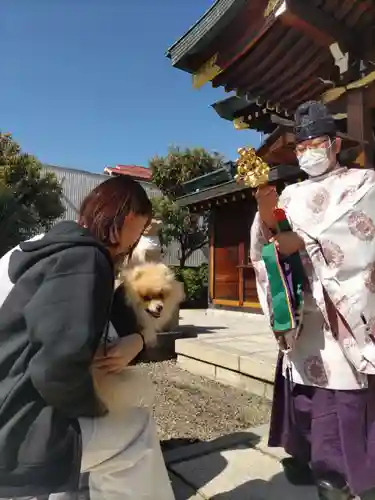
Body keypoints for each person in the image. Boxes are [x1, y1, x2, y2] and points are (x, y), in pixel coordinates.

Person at [0, 175, 175, 500]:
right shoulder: (85, 257)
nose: (137, 240)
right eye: (139, 228)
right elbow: (57, 366)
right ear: (122, 219)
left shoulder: (40, 247)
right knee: (134, 433)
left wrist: (135, 342)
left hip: (10, 401)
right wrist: (93, 408)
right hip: (14, 432)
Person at [250, 101, 375, 500]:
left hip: (342, 313)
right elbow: (263, 246)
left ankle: (343, 477)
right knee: (306, 391)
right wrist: (266, 217)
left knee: (341, 397)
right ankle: (311, 462)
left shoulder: (364, 184)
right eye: (301, 147)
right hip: (302, 312)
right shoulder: (291, 192)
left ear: (335, 143)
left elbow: (358, 233)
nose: (307, 152)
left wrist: (303, 242)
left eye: (316, 143)